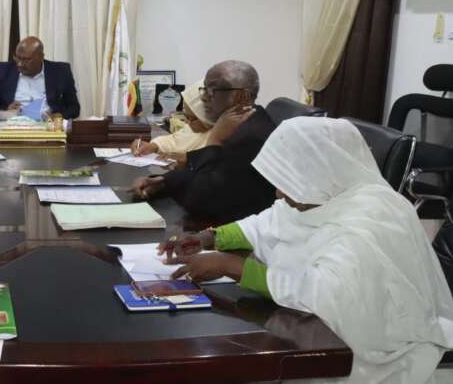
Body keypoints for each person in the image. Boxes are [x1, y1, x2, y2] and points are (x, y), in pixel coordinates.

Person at [163, 116, 453, 383]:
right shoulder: (320, 195)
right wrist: (208, 238)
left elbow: (324, 297)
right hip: (298, 327)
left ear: (319, 171)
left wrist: (232, 267)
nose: (279, 193)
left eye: (286, 182)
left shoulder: (371, 221)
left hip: (362, 353)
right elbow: (271, 222)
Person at [132, 60, 275, 226]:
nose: (204, 97)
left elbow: (199, 200)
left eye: (212, 91)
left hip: (232, 230)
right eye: (204, 89)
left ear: (242, 97)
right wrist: (163, 182)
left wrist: (214, 140)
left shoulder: (251, 136)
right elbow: (201, 170)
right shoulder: (238, 123)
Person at [0, 36, 80, 119]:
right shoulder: (3, 70)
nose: (19, 64)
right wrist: (6, 112)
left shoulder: (60, 71)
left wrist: (56, 116)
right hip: (14, 125)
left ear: (41, 57)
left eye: (26, 60)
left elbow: (74, 108)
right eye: (17, 58)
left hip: (47, 127)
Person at [130, 79, 214, 158]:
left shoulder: (217, 139)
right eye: (185, 116)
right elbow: (174, 141)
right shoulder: (194, 128)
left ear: (207, 119)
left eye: (191, 118)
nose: (186, 122)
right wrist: (153, 146)